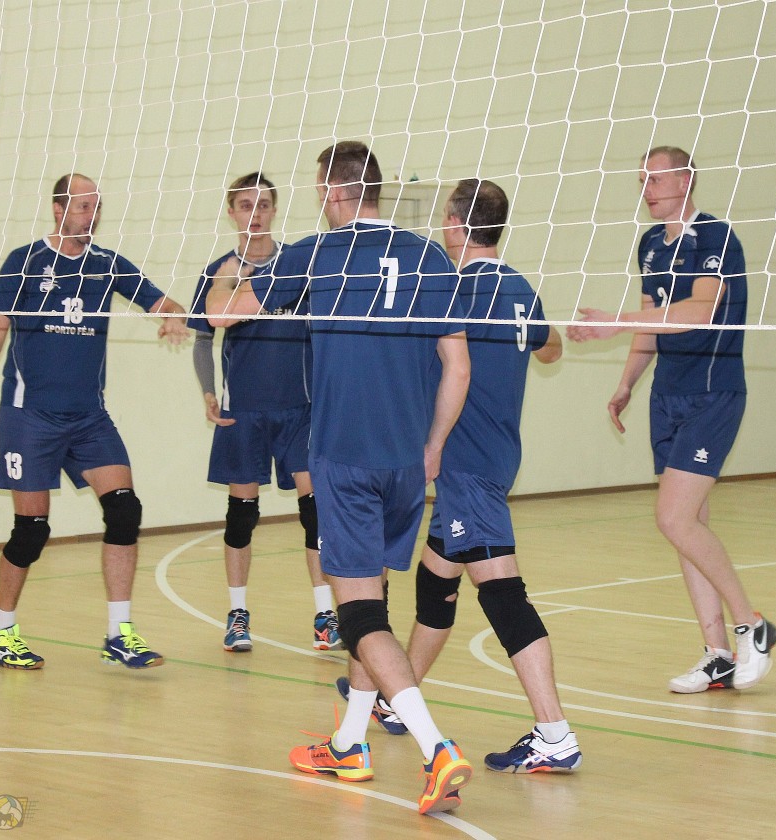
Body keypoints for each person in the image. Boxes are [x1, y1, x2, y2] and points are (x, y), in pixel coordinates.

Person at [208, 141, 473, 815]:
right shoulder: (430, 256)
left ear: (330, 192)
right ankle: (349, 743)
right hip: (407, 463)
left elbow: (221, 314)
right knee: (371, 603)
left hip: (346, 458)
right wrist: (434, 446)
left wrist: (236, 268)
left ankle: (436, 748)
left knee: (358, 614)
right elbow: (458, 366)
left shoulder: (316, 254)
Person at [567, 146, 776, 693]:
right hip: (667, 397)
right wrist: (627, 383)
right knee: (689, 528)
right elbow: (653, 321)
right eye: (642, 180)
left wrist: (616, 320)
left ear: (686, 180)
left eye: (656, 179)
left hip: (712, 393)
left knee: (673, 519)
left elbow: (699, 312)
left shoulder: (714, 237)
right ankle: (717, 654)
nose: (647, 189)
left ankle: (752, 625)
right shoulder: (649, 244)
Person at [396, 178, 581, 774]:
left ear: (455, 223)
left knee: (502, 594)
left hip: (467, 462)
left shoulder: (457, 291)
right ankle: (400, 696)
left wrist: (426, 442)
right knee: (435, 579)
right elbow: (551, 348)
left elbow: (446, 368)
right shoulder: (520, 289)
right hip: (497, 455)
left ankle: (554, 733)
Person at [0, 172, 189, 670]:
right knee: (32, 530)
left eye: (96, 206)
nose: (91, 214)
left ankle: (119, 634)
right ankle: (1, 635)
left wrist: (174, 315)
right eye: (82, 205)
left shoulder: (107, 265)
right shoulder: (25, 261)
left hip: (89, 416)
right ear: (58, 208)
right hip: (30, 414)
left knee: (125, 511)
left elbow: (163, 301)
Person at [187, 172, 341, 653]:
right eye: (245, 205)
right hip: (244, 412)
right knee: (241, 517)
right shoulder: (218, 272)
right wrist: (208, 392)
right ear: (231, 211)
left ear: (275, 210)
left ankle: (325, 616)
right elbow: (203, 339)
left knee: (316, 515)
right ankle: (237, 615)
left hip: (300, 410)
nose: (255, 213)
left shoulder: (298, 266)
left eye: (264, 204)